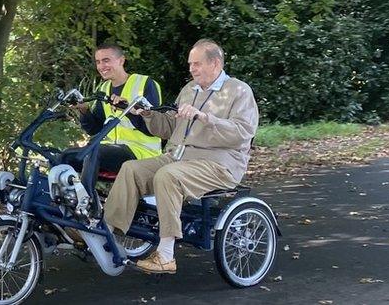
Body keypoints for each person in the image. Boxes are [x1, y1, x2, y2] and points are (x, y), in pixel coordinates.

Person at [103, 39, 259, 275]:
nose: (191, 69)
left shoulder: (238, 90)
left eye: (196, 64)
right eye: (190, 64)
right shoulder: (189, 90)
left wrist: (206, 118)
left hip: (219, 163)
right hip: (179, 157)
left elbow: (243, 133)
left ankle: (166, 255)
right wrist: (145, 114)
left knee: (168, 176)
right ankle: (107, 233)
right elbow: (169, 128)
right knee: (131, 169)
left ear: (215, 63)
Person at [61, 43, 163, 175]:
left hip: (142, 153)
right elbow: (95, 129)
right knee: (65, 157)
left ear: (121, 60)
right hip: (111, 149)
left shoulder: (145, 84)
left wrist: (127, 110)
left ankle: (86, 195)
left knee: (94, 152)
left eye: (106, 60)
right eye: (98, 62)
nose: (101, 66)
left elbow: (155, 128)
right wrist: (84, 110)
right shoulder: (103, 88)